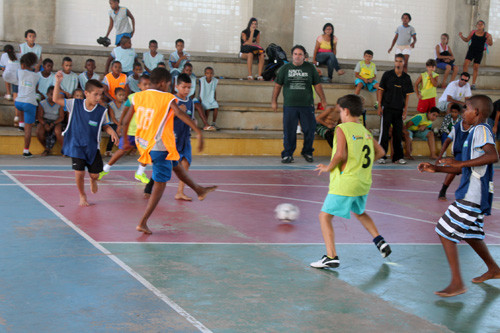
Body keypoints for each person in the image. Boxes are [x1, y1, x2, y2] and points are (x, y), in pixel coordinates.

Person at [418, 95, 500, 297]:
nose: (464, 112)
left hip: (473, 194)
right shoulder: (473, 132)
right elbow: (463, 168)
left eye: (467, 109)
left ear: (477, 113)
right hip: (470, 192)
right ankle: (494, 269)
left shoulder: (481, 129)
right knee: (472, 235)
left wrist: (459, 164)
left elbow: (492, 156)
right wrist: (436, 169)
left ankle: (456, 282)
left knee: (443, 231)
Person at [120, 67, 205, 234]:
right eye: (168, 83)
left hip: (145, 144)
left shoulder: (138, 96)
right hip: (159, 146)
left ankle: (198, 189)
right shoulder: (166, 97)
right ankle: (143, 221)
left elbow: (125, 121)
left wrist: (125, 141)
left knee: (176, 165)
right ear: (162, 83)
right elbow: (180, 113)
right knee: (160, 185)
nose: (169, 86)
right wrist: (199, 131)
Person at [311, 94, 391, 269]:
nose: (339, 115)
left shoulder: (342, 128)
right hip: (363, 181)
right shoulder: (364, 130)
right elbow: (381, 152)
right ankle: (380, 240)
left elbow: (339, 154)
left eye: (339, 111)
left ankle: (331, 256)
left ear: (345, 111)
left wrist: (328, 167)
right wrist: (362, 165)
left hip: (346, 182)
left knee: (324, 216)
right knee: (360, 211)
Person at [54, 72, 119, 206]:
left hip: (92, 147)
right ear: (86, 93)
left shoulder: (101, 111)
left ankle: (93, 180)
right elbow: (55, 99)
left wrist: (112, 131)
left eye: (100, 94)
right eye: (95, 94)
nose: (98, 97)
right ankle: (82, 195)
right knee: (79, 173)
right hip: (76, 146)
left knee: (95, 175)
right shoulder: (75, 104)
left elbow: (105, 125)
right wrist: (58, 82)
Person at [272, 45, 327, 163]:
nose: (297, 56)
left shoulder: (310, 68)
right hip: (290, 106)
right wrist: (274, 101)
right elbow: (277, 86)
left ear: (304, 56)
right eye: (295, 54)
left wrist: (323, 99)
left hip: (307, 105)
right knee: (289, 131)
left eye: (300, 54)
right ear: (292, 55)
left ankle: (307, 152)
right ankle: (287, 154)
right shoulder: (285, 68)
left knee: (309, 129)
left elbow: (317, 85)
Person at [99, 74, 151, 184]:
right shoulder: (133, 97)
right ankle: (105, 169)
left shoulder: (153, 99)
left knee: (146, 153)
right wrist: (120, 125)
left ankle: (140, 173)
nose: (147, 87)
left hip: (144, 131)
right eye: (145, 84)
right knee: (122, 150)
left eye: (149, 84)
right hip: (131, 130)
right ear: (139, 85)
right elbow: (125, 112)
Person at [376, 53, 414, 164]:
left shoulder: (406, 78)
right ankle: (382, 156)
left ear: (404, 63)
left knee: (398, 133)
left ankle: (398, 157)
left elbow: (407, 96)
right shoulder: (387, 75)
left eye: (400, 61)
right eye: (396, 61)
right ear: (394, 62)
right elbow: (380, 90)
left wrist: (405, 110)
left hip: (399, 110)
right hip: (387, 108)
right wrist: (379, 106)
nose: (398, 63)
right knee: (384, 133)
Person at [436, 118, 471, 201]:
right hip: (459, 152)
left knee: (471, 172)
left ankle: (467, 193)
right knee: (453, 170)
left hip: (471, 153)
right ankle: (443, 190)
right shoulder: (457, 127)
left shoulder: (476, 126)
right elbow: (447, 141)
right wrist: (440, 156)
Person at [14, 52, 39, 157]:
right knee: (28, 130)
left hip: (18, 102)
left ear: (23, 64)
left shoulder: (19, 72)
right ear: (33, 64)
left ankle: (20, 124)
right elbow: (36, 89)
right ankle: (26, 151)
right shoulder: (37, 76)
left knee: (20, 105)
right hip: (29, 103)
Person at [175, 63, 211, 130]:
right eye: (187, 70)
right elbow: (174, 91)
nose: (189, 72)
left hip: (190, 98)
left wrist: (187, 99)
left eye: (190, 70)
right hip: (179, 97)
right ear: (183, 70)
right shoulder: (177, 78)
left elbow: (193, 92)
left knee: (198, 105)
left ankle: (206, 124)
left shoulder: (193, 78)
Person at [459, 20, 493, 90]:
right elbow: (467, 40)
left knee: (476, 67)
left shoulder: (487, 34)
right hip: (471, 51)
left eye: (481, 24)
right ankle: (464, 80)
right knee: (465, 64)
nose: (480, 25)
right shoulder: (473, 32)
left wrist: (489, 39)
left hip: (479, 52)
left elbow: (490, 44)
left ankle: (473, 84)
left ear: (484, 26)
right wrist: (461, 36)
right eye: (478, 24)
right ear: (476, 25)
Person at [37, 86, 64, 156]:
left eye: (55, 94)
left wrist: (53, 123)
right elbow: (39, 117)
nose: (53, 97)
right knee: (39, 132)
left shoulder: (60, 104)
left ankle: (64, 149)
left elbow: (61, 117)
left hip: (56, 121)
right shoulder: (42, 103)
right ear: (47, 94)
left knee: (58, 131)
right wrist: (45, 124)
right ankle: (46, 148)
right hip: (45, 120)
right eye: (51, 94)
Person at [104, 87, 127, 156]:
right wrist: (119, 125)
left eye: (123, 95)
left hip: (122, 123)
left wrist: (122, 125)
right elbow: (112, 117)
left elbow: (126, 116)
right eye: (120, 95)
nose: (122, 97)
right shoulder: (111, 104)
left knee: (127, 132)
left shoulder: (126, 104)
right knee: (114, 132)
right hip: (114, 123)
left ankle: (123, 149)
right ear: (115, 95)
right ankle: (108, 150)